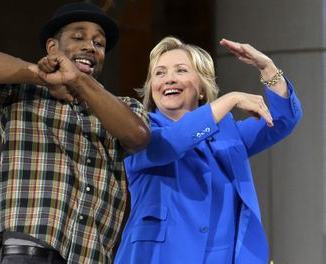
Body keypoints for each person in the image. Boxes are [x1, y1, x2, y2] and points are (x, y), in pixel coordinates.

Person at [0, 2, 150, 263]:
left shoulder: (124, 106)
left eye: (99, 44)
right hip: (29, 250)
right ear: (53, 48)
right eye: (78, 37)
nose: (90, 46)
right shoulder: (22, 92)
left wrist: (78, 80)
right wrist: (40, 75)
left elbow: (138, 136)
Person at [114, 36, 302, 264]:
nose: (169, 79)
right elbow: (172, 142)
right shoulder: (139, 130)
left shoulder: (228, 133)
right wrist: (231, 99)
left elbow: (282, 119)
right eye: (159, 73)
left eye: (181, 70)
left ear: (202, 88)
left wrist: (267, 67)